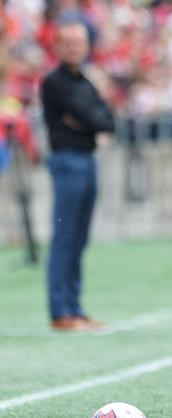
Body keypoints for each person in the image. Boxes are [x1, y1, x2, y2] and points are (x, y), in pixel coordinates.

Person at [41, 20, 115, 331]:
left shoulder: (84, 81)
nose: (74, 48)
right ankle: (61, 311)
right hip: (68, 160)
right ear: (57, 46)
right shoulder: (54, 82)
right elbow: (92, 116)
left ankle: (74, 307)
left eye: (79, 42)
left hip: (86, 159)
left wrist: (88, 120)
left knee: (79, 238)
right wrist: (90, 119)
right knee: (65, 237)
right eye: (68, 42)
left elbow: (106, 119)